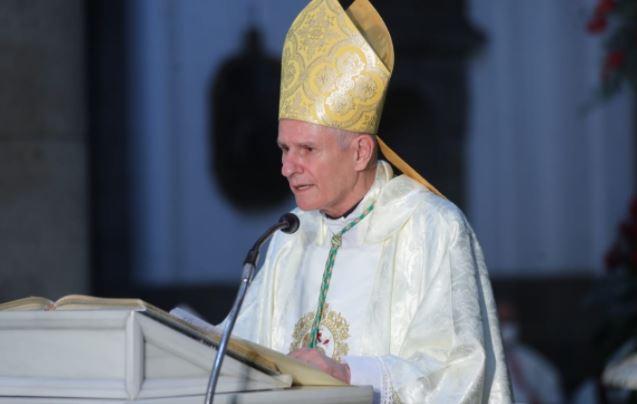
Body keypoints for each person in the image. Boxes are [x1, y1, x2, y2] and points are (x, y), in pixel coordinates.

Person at [230, 0, 512, 402]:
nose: (287, 167)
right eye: (283, 149)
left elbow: (459, 374)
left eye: (306, 149)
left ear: (361, 152)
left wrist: (349, 375)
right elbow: (240, 356)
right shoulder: (288, 238)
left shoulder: (432, 229)